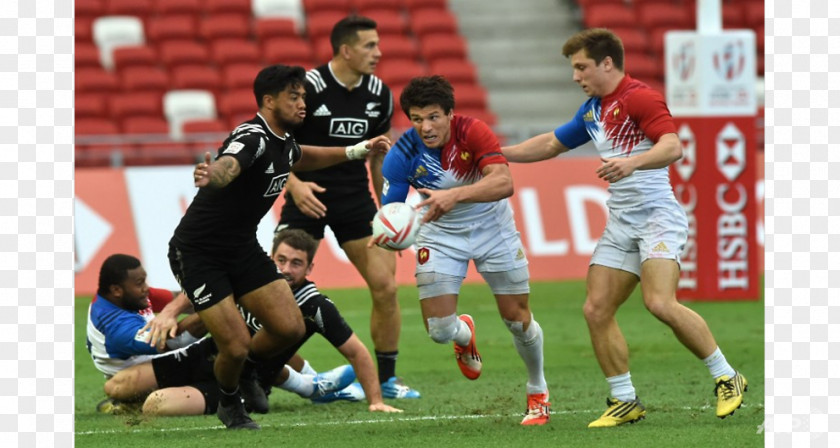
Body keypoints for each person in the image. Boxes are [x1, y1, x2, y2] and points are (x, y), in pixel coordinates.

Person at [501, 28, 748, 427]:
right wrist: (495, 154)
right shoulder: (593, 110)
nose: (576, 76)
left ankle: (726, 375)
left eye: (581, 67)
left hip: (657, 218)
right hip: (622, 221)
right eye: (574, 69)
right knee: (596, 309)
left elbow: (672, 146)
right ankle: (624, 399)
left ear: (607, 63)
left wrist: (631, 163)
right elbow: (551, 144)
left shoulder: (639, 97)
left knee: (659, 303)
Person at [169, 64, 390, 429]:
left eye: (303, 96)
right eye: (294, 96)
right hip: (198, 251)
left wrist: (356, 151)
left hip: (241, 247)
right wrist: (214, 175)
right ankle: (229, 401)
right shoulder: (253, 136)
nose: (303, 103)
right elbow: (230, 164)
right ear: (269, 101)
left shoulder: (283, 142)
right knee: (236, 345)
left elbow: (305, 155)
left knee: (289, 327)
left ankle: (247, 373)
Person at [377, 75, 550, 426]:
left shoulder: (474, 132)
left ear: (450, 113)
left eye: (434, 117)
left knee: (517, 319)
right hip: (440, 235)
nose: (426, 127)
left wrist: (453, 195)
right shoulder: (401, 156)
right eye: (417, 118)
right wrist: (387, 231)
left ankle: (538, 389)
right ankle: (464, 335)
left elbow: (504, 182)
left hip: (493, 229)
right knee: (439, 331)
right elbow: (392, 210)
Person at [274, 15, 420, 399]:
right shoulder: (308, 87)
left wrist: (388, 210)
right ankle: (271, 372)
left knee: (386, 287)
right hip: (307, 197)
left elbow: (378, 160)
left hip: (356, 200)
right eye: (370, 45)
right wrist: (295, 184)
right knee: (277, 294)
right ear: (345, 50)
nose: (379, 52)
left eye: (378, 44)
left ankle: (386, 380)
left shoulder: (379, 93)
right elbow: (276, 146)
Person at [248, 228, 402, 412]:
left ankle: (310, 385)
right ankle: (311, 383)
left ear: (309, 268)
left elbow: (357, 352)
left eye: (296, 263)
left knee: (273, 338)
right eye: (281, 260)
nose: (286, 269)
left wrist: (376, 401)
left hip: (245, 382)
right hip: (216, 358)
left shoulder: (314, 306)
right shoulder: (251, 282)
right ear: (271, 257)